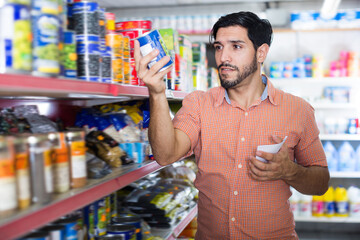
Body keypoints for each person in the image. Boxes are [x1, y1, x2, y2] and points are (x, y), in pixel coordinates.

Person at [134, 11, 329, 240]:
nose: (223, 57)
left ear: (261, 53)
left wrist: (290, 171)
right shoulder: (199, 104)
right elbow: (166, 155)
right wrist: (157, 92)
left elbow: (321, 183)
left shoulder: (297, 110)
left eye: (236, 46)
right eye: (218, 47)